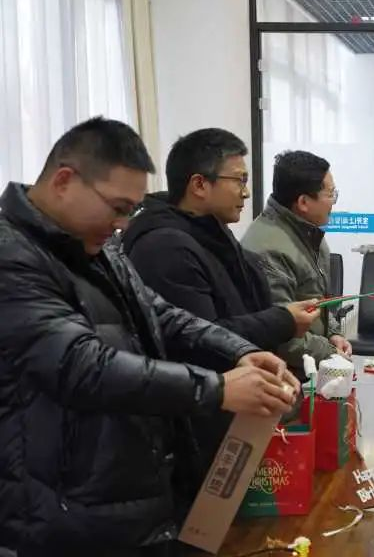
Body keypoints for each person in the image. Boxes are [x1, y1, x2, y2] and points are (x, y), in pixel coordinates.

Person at [0, 118, 298, 557]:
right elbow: (81, 365)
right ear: (64, 181)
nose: (122, 224)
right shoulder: (12, 256)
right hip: (61, 512)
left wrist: (241, 351)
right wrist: (217, 389)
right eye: (117, 207)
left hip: (127, 495)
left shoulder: (92, 243)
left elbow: (160, 314)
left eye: (131, 210)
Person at [121, 128, 320, 510]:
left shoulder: (212, 235)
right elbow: (200, 339)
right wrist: (282, 320)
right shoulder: (165, 247)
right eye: (239, 180)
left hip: (229, 414)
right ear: (199, 184)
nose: (246, 192)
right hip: (198, 428)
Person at [242, 150, 350, 379]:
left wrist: (333, 334)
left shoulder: (308, 232)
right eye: (330, 194)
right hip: (285, 377)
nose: (333, 202)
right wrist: (331, 353)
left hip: (311, 368)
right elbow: (283, 335)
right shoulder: (268, 250)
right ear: (303, 202)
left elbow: (316, 301)